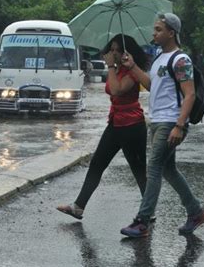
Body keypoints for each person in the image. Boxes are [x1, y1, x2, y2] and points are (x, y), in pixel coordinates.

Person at [119, 13, 204, 238]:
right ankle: (196, 212)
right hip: (158, 120)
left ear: (171, 32)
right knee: (168, 169)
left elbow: (189, 95)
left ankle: (142, 221)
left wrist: (180, 125)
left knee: (155, 167)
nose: (154, 33)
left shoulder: (181, 60)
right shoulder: (159, 58)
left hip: (171, 121)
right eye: (155, 29)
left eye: (159, 29)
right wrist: (132, 67)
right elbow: (152, 85)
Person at [57, 34, 149, 220]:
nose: (113, 53)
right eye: (111, 49)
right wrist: (113, 68)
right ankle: (79, 206)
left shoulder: (131, 71)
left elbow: (116, 89)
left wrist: (110, 67)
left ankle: (149, 209)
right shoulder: (118, 70)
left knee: (138, 169)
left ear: (126, 52)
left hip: (132, 125)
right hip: (115, 122)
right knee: (97, 163)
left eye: (117, 50)